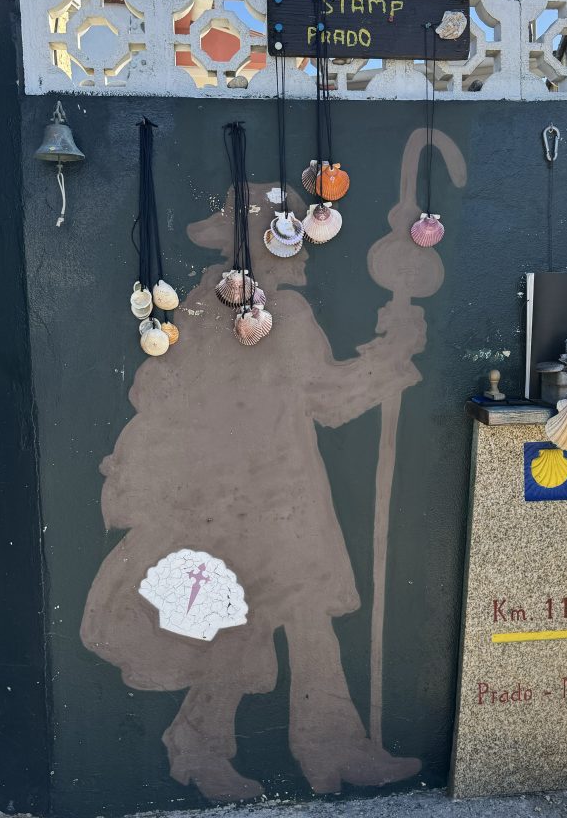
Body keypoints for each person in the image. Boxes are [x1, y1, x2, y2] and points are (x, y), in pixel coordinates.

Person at [81, 183, 424, 801]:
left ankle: (319, 746)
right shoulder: (280, 314)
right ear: (266, 246)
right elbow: (327, 400)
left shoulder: (196, 308)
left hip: (249, 495)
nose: (304, 251)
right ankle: (212, 744)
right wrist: (394, 355)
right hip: (259, 498)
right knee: (249, 623)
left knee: (286, 619)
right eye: (292, 239)